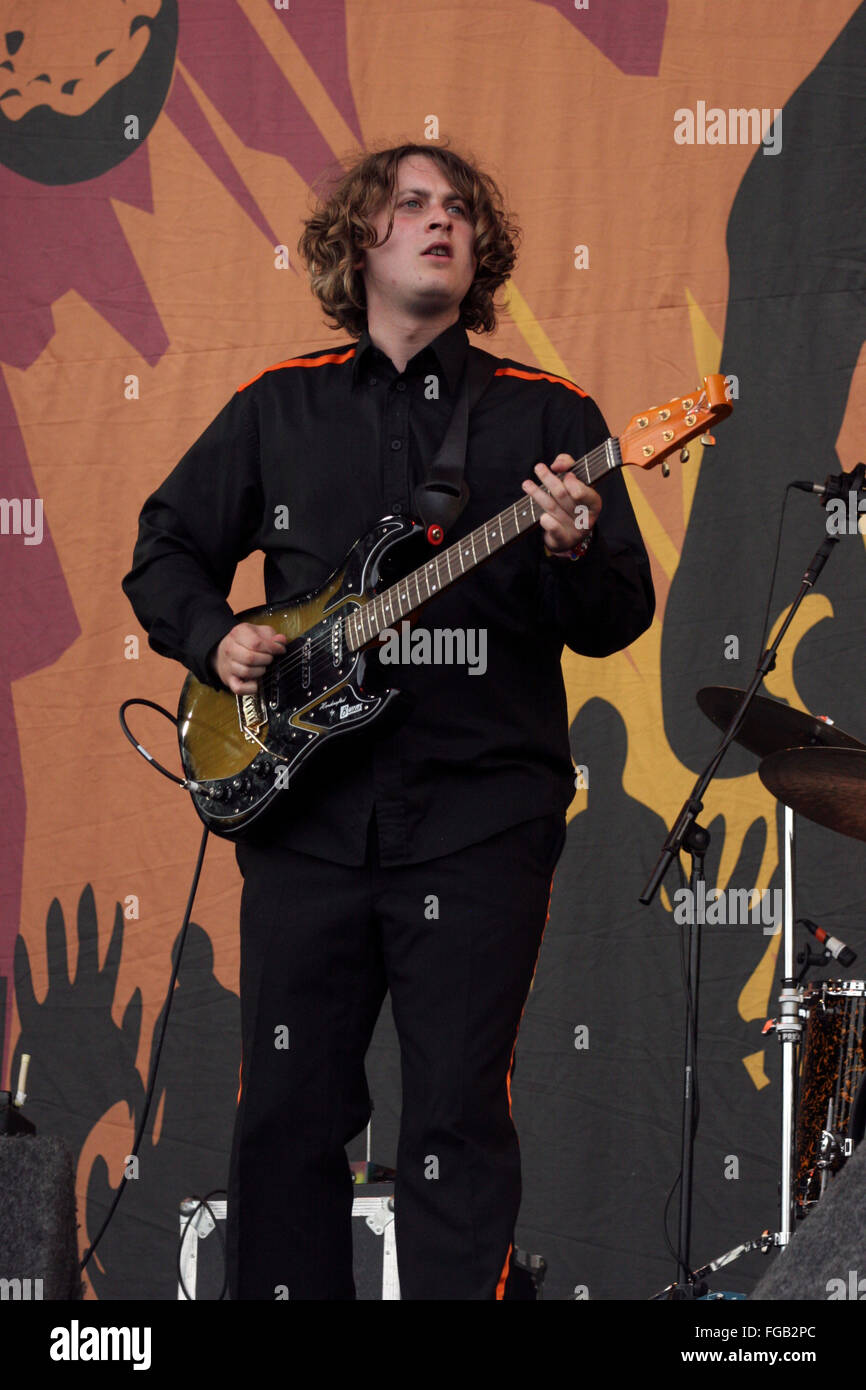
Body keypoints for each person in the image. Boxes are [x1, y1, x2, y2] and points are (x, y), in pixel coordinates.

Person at [122, 142, 654, 1300]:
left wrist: (568, 547)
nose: (439, 221)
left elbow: (616, 613)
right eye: (410, 204)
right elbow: (163, 551)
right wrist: (217, 637)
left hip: (478, 823)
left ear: (481, 251)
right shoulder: (278, 403)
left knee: (455, 1119)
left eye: (459, 209)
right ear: (358, 239)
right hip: (304, 818)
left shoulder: (546, 416)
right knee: (287, 1115)